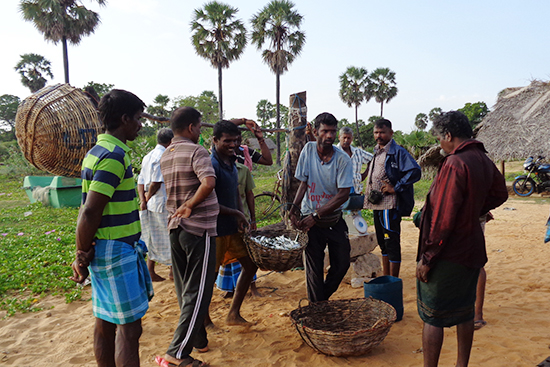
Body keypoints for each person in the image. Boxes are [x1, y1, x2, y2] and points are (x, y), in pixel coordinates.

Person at [416, 111, 508, 367]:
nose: (439, 143)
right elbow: (501, 194)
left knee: (433, 317)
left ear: (448, 135)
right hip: (472, 248)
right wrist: (474, 209)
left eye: (439, 137)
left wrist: (428, 257)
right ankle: (461, 365)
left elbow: (444, 219)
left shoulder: (455, 163)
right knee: (465, 310)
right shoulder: (483, 158)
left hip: (449, 254)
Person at [70, 89, 153, 367]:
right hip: (116, 252)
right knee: (130, 330)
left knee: (105, 323)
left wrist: (84, 251)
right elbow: (90, 210)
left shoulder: (96, 151)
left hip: (106, 249)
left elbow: (91, 210)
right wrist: (81, 253)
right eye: (138, 119)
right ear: (124, 118)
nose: (141, 125)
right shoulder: (114, 156)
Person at [156, 107, 219, 367]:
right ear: (192, 127)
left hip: (176, 229)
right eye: (200, 127)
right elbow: (208, 182)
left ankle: (198, 340)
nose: (200, 132)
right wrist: (192, 204)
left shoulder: (166, 155)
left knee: (185, 290)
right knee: (199, 291)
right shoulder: (196, 151)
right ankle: (177, 353)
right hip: (198, 228)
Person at [289, 112, 353, 303]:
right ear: (316, 132)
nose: (330, 136)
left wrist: (316, 215)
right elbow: (303, 183)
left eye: (333, 132)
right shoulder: (308, 150)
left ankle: (319, 301)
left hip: (332, 219)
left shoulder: (343, 159)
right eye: (325, 131)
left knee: (342, 264)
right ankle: (317, 308)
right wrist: (294, 208)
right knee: (313, 269)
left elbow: (343, 194)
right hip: (311, 221)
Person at [211, 120, 257, 325]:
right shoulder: (211, 165)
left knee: (250, 265)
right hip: (216, 230)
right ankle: (204, 321)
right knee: (208, 278)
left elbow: (237, 193)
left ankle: (233, 314)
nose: (233, 144)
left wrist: (239, 213)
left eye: (236, 140)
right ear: (215, 141)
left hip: (232, 228)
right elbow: (210, 204)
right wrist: (237, 214)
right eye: (227, 141)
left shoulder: (231, 162)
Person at [364, 118, 421, 278]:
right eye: (376, 132)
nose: (378, 135)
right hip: (376, 206)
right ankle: (386, 278)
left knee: (392, 244)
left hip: (389, 206)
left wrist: (395, 188)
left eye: (382, 132)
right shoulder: (377, 151)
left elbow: (415, 171)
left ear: (390, 133)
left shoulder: (397, 152)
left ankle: (393, 280)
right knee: (382, 244)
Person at [137, 127, 174, 282]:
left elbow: (140, 181)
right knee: (169, 237)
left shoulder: (148, 156)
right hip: (161, 202)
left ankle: (151, 270)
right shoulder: (163, 155)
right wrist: (148, 196)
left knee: (153, 237)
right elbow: (156, 182)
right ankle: (172, 271)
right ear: (171, 141)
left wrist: (143, 199)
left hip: (151, 203)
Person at [336, 126, 373, 194]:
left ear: (352, 139)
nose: (346, 140)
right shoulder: (334, 152)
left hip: (356, 191)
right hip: (338, 193)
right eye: (344, 138)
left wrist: (365, 174)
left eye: (348, 138)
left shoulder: (358, 152)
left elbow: (373, 159)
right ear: (339, 137)